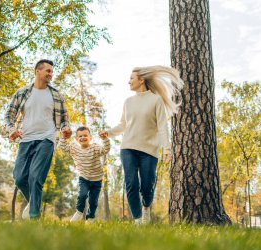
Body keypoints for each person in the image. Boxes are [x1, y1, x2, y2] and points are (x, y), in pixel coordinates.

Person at [99, 66, 183, 224]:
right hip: (128, 148)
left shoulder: (156, 100)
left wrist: (167, 149)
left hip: (149, 151)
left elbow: (162, 127)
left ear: (141, 79)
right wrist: (108, 132)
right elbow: (123, 125)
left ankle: (146, 208)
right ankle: (138, 221)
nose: (128, 81)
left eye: (131, 78)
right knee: (131, 183)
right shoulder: (128, 102)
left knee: (146, 186)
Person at [4, 59, 72, 220]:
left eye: (51, 71)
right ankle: (34, 204)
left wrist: (65, 128)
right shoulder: (22, 93)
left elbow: (64, 118)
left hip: (46, 139)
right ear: (37, 71)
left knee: (35, 177)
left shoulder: (55, 95)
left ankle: (34, 217)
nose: (51, 74)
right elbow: (9, 115)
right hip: (26, 139)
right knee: (19, 177)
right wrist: (12, 130)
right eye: (47, 71)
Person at [60, 126, 110, 222]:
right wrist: (64, 137)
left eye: (85, 135)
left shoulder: (95, 147)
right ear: (76, 139)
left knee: (93, 202)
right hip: (84, 178)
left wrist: (105, 139)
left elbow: (105, 150)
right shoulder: (74, 148)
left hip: (97, 179)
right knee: (82, 195)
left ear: (90, 138)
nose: (83, 137)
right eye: (80, 136)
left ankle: (90, 217)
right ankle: (79, 212)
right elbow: (64, 147)